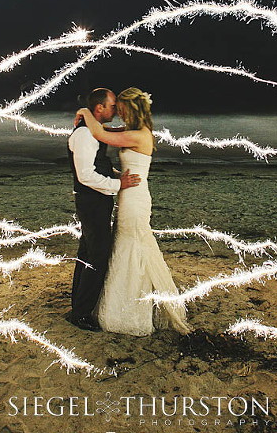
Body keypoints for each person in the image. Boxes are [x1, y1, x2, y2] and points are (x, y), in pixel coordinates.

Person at [76, 88, 191, 336]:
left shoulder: (139, 135)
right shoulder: (134, 132)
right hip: (127, 193)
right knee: (125, 244)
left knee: (133, 244)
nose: (117, 112)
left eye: (121, 107)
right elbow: (105, 133)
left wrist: (85, 110)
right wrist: (117, 177)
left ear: (132, 109)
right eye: (115, 107)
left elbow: (99, 134)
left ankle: (130, 307)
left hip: (135, 197)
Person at [68, 88, 141, 332]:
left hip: (95, 199)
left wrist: (117, 177)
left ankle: (77, 306)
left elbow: (99, 166)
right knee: (98, 256)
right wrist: (118, 184)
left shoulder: (93, 132)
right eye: (112, 106)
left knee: (88, 253)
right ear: (99, 108)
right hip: (91, 200)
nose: (115, 111)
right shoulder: (85, 135)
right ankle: (81, 313)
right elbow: (86, 175)